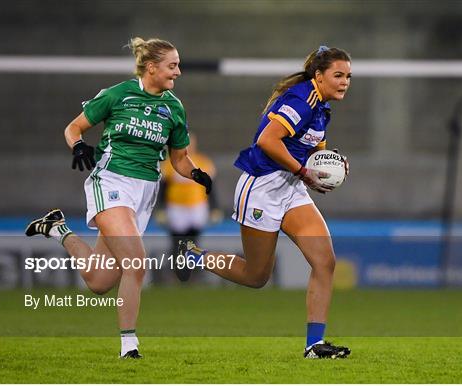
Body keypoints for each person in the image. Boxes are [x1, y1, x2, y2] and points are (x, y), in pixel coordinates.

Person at [24, 37, 212, 359]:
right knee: (137, 263)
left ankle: (57, 229)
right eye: (172, 65)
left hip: (145, 192)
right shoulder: (117, 95)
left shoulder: (174, 108)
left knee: (99, 281)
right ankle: (129, 345)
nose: (178, 72)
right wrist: (79, 145)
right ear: (151, 67)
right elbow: (73, 128)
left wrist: (195, 174)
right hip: (112, 182)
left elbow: (178, 158)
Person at [173, 46, 352, 359]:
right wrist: (303, 171)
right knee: (256, 276)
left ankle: (314, 345)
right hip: (261, 187)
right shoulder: (302, 99)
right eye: (338, 75)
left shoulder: (322, 109)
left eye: (348, 76)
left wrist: (330, 166)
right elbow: (267, 141)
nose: (345, 81)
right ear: (319, 76)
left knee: (325, 261)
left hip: (291, 187)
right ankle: (192, 255)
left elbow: (311, 155)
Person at [155, 133, 222, 274]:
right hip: (176, 206)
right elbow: (163, 187)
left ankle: (193, 271)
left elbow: (211, 187)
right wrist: (160, 208)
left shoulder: (203, 162)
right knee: (177, 240)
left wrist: (214, 207)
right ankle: (177, 271)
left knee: (194, 240)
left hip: (197, 206)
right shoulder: (171, 163)